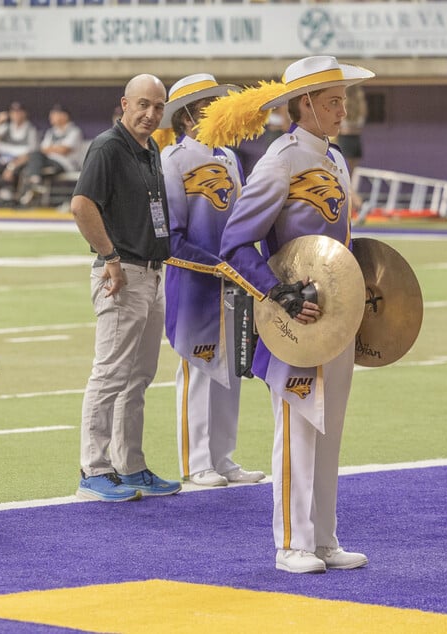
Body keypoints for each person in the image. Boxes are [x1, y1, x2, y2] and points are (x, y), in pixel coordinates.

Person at [199, 55, 374, 574]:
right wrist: (280, 292)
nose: (344, 110)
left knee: (330, 428)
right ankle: (290, 544)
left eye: (344, 99)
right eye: (334, 101)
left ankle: (323, 538)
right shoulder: (282, 159)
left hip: (337, 319)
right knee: (299, 426)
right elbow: (235, 243)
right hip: (293, 320)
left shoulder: (335, 158)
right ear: (305, 105)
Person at [70, 74, 182, 502]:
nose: (151, 114)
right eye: (143, 105)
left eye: (158, 107)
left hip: (151, 273)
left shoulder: (150, 148)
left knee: (138, 377)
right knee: (111, 374)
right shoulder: (108, 146)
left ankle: (130, 465)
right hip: (122, 274)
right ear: (124, 103)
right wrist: (111, 258)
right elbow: (82, 206)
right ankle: (93, 469)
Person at [157, 74, 266, 489]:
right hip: (195, 280)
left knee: (231, 368)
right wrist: (214, 265)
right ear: (189, 115)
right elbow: (173, 233)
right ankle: (195, 461)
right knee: (198, 367)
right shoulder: (173, 159)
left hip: (232, 280)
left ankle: (223, 457)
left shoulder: (229, 158)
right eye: (209, 106)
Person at [17, 103, 84, 208]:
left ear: (64, 116)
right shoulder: (51, 132)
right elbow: (43, 149)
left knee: (33, 163)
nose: (51, 117)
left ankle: (34, 184)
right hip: (48, 162)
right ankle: (35, 183)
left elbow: (64, 150)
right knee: (34, 156)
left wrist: (51, 148)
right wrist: (54, 148)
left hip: (65, 164)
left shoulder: (74, 131)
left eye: (55, 114)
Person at [0, 101, 38, 206]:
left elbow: (31, 154)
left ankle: (16, 200)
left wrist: (11, 167)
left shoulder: (30, 130)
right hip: (6, 162)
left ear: (24, 113)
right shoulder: (7, 127)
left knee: (19, 174)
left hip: (20, 164)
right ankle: (5, 196)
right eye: (13, 112)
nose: (16, 115)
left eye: (19, 112)